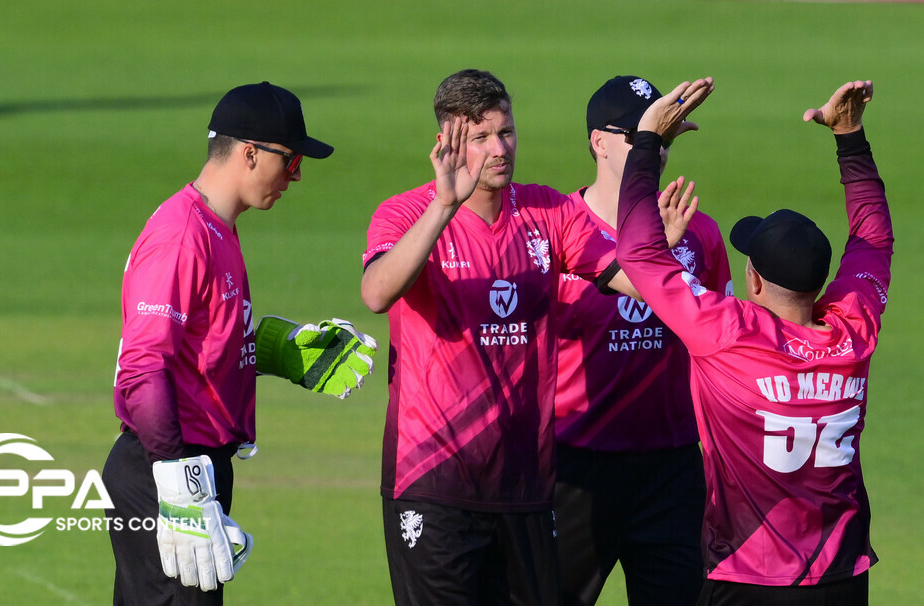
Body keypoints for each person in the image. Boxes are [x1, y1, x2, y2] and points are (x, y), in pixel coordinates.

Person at [361, 69, 638, 606]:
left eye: (506, 132)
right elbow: (376, 292)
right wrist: (442, 207)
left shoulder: (547, 211)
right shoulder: (403, 213)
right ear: (446, 141)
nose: (499, 148)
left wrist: (657, 252)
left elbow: (630, 279)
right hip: (433, 481)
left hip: (525, 485)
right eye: (481, 137)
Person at [614, 79, 891, 606]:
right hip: (841, 576)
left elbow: (637, 250)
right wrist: (850, 136)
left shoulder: (726, 333)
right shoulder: (854, 330)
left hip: (746, 575)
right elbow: (873, 238)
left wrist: (647, 141)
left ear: (756, 281)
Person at [104, 81, 376, 606]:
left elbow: (195, 346)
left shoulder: (218, 228)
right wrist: (178, 481)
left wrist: (273, 350)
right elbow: (142, 370)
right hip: (165, 471)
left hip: (189, 469)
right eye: (291, 160)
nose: (296, 176)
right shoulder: (182, 235)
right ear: (251, 153)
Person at [552, 75, 732, 606]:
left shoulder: (701, 234)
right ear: (598, 142)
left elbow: (719, 350)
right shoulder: (554, 230)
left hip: (672, 468)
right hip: (575, 465)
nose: (655, 148)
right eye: (641, 135)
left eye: (664, 137)